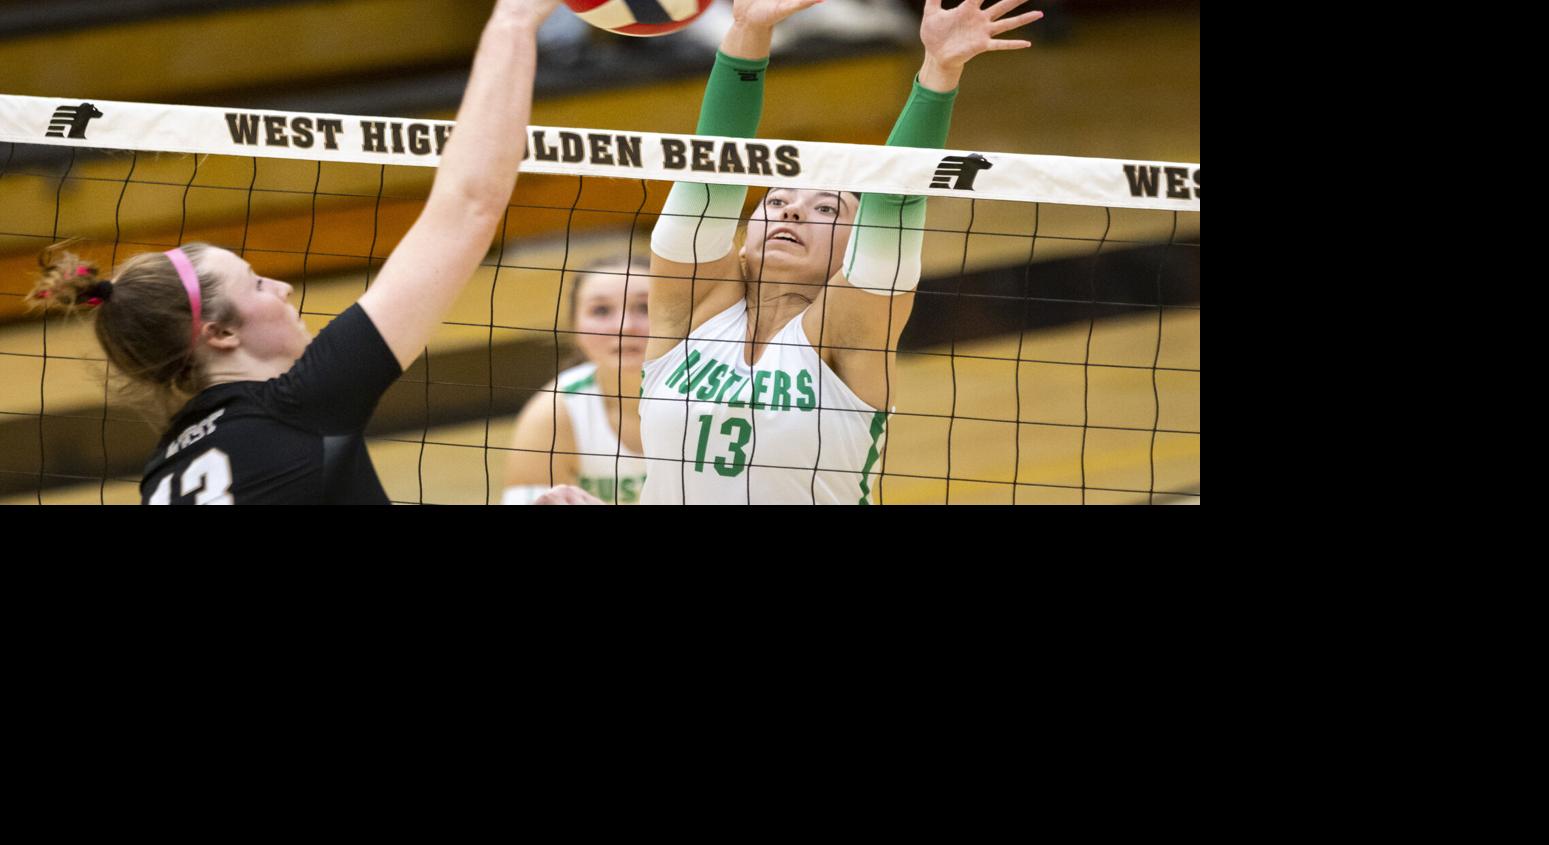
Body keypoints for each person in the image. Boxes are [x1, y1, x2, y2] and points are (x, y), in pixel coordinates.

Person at [25, 0, 567, 505]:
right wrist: (514, 21)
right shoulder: (298, 405)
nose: (283, 288)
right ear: (220, 332)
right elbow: (468, 207)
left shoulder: (161, 475)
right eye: (258, 283)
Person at [640, 0, 1039, 504]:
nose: (792, 211)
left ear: (854, 253)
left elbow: (894, 199)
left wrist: (939, 72)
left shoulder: (847, 332)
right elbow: (713, 163)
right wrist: (747, 30)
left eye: (827, 209)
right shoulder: (692, 308)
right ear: (744, 234)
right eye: (776, 201)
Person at [502, 258, 650, 504]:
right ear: (574, 326)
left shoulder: (713, 397)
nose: (625, 326)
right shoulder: (552, 414)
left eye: (645, 307)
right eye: (601, 311)